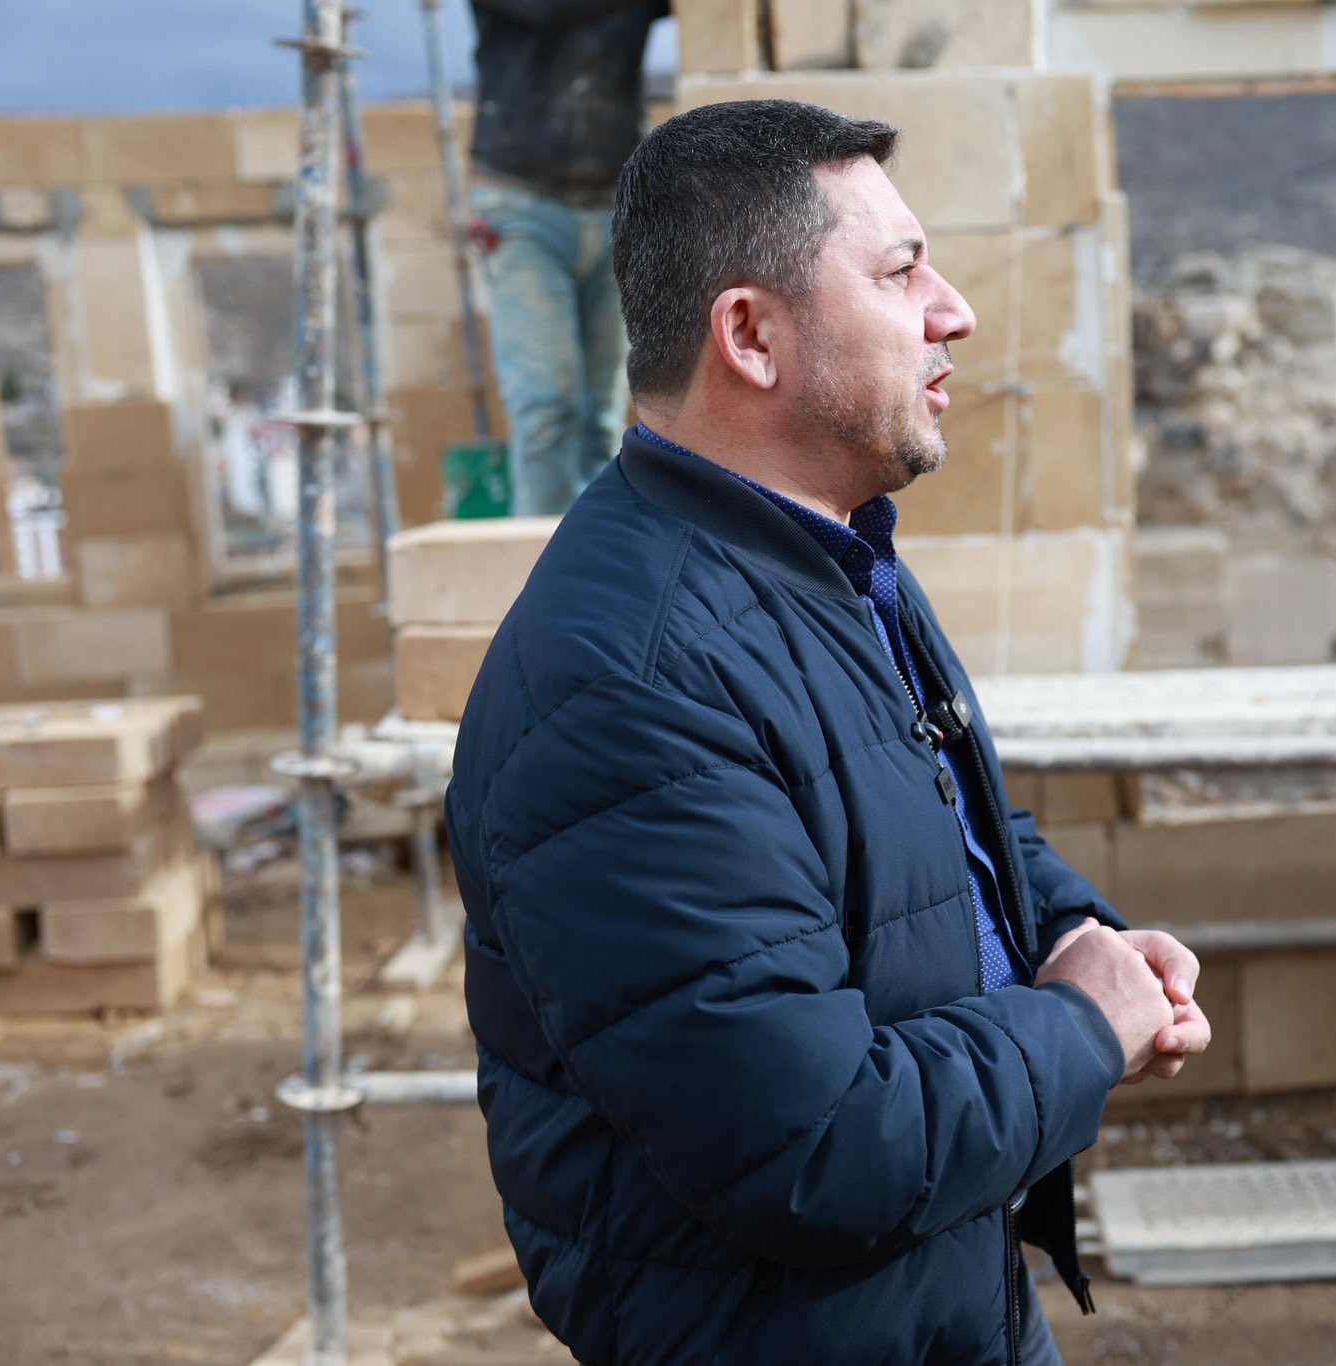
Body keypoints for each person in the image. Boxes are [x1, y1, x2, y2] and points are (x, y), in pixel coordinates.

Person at [446, 99, 1215, 1364]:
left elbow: (925, 823)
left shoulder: (822, 559)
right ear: (750, 335)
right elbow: (810, 1146)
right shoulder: (632, 681)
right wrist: (1080, 1027)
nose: (953, 311)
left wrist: (1073, 935)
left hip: (932, 1296)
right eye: (900, 272)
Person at [465, 0, 668, 515]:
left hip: (616, 200)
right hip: (520, 198)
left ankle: (595, 548)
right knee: (545, 405)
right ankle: (546, 553)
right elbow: (548, 9)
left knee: (602, 413)